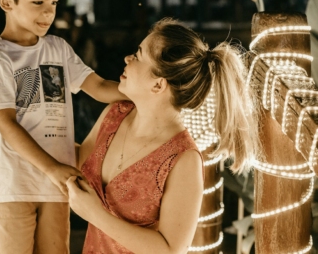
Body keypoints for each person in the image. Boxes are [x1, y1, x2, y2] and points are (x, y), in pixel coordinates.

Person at [65, 18, 261, 253]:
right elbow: (77, 160)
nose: (128, 58)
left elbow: (170, 249)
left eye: (138, 55)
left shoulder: (184, 158)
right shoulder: (114, 115)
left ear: (158, 85)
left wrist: (95, 215)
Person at [0, 0, 127, 253]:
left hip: (57, 184)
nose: (48, 13)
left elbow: (96, 86)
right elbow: (5, 124)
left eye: (54, 2)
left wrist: (139, 91)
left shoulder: (58, 48)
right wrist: (53, 168)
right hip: (13, 182)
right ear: (7, 2)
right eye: (37, 2)